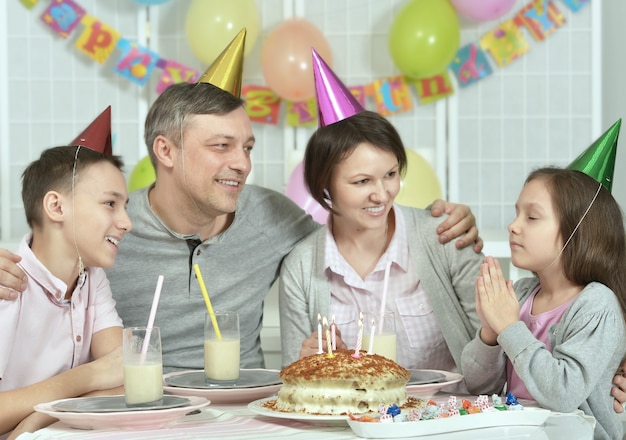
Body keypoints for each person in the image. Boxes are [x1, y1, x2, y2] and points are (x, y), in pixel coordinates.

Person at [0, 31, 482, 373]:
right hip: (140, 410)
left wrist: (441, 221)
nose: (242, 163)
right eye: (221, 146)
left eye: (247, 147)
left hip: (244, 410)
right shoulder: (110, 231)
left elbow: (354, 229)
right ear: (165, 151)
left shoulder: (274, 217)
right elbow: (48, 251)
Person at [279, 50, 484, 376]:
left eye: (390, 174)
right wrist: (312, 368)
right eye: (362, 181)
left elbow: (492, 365)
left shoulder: (444, 236)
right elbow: (296, 389)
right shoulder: (301, 269)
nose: (382, 193)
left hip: (445, 419)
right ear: (325, 184)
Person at [460, 163, 626, 439]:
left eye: (532, 218)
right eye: (517, 214)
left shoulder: (596, 304)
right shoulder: (524, 294)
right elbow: (478, 385)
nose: (513, 226)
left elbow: (562, 393)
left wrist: (510, 328)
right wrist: (491, 332)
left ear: (578, 232)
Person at [0, 142, 132, 438]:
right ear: (56, 207)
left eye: (125, 207)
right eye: (110, 203)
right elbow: (106, 371)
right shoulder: (5, 285)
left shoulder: (91, 278)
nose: (127, 223)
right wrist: (89, 376)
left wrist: (39, 420)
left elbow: (126, 377)